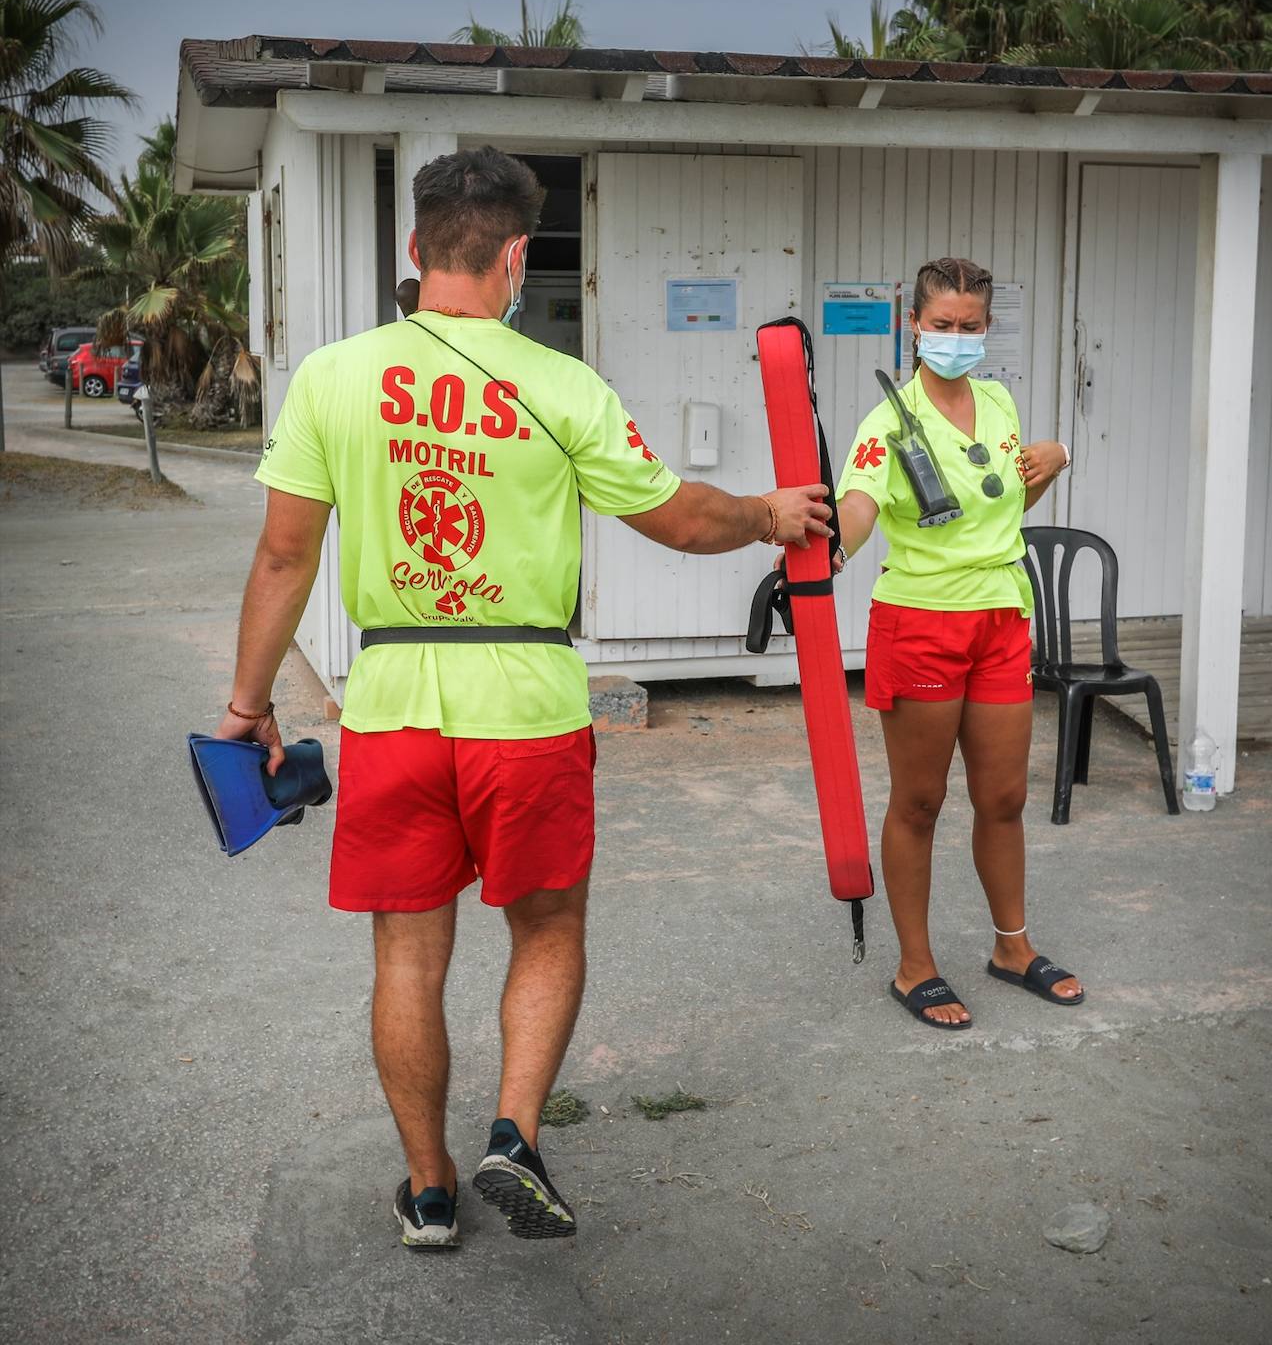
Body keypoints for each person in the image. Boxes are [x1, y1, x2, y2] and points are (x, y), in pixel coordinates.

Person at [214, 146, 832, 1247]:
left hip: (395, 704)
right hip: (531, 709)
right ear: (516, 256)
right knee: (545, 928)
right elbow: (682, 519)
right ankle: (514, 1132)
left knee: (408, 953)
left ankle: (429, 1188)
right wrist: (768, 514)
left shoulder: (334, 376)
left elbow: (281, 558)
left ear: (414, 249)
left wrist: (247, 705)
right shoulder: (561, 386)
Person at [834, 256, 1085, 1031]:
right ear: (913, 325)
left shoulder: (998, 401)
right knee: (919, 801)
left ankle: (1011, 947)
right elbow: (859, 504)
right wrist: (821, 551)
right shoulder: (886, 420)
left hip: (1002, 615)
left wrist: (1047, 465)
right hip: (921, 622)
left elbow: (1000, 500)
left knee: (1003, 798)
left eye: (969, 326)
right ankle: (915, 968)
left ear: (986, 328)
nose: (954, 338)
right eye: (940, 326)